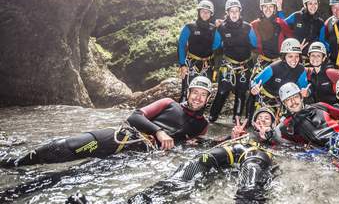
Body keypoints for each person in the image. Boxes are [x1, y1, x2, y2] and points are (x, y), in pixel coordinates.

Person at [0, 77, 213, 167]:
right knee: (71, 146)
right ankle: (12, 163)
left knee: (78, 173)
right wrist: (159, 132)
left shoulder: (202, 125)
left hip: (137, 157)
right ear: (189, 92)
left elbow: (198, 145)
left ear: (207, 99)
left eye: (203, 95)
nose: (197, 98)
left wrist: (233, 137)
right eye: (195, 92)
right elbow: (135, 116)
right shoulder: (169, 103)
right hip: (122, 138)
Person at [128, 107, 279, 204]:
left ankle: (249, 198)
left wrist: (270, 137)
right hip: (233, 149)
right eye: (260, 117)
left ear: (273, 123)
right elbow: (213, 143)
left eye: (267, 118)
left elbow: (292, 149)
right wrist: (230, 137)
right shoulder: (243, 133)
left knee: (252, 169)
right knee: (198, 160)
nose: (262, 120)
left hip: (256, 154)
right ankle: (147, 198)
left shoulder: (277, 137)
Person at [208, 0, 257, 123]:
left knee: (241, 92)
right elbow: (215, 46)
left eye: (236, 11)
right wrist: (215, 29)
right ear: (227, 13)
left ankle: (237, 119)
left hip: (244, 65)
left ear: (240, 12)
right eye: (232, 11)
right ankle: (212, 117)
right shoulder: (222, 28)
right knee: (223, 91)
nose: (234, 14)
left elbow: (255, 43)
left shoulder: (247, 27)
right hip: (228, 65)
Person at [246, 38, 308, 121]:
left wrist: (307, 93)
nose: (294, 60)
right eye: (290, 56)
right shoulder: (274, 67)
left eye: (297, 56)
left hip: (284, 100)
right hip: (266, 99)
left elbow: (304, 88)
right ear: (284, 56)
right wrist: (254, 87)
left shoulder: (300, 69)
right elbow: (254, 81)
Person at [177, 0, 220, 102]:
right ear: (199, 12)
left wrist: (219, 29)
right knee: (186, 91)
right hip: (192, 63)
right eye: (203, 11)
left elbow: (216, 46)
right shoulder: (190, 27)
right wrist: (182, 65)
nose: (205, 14)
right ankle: (181, 115)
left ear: (211, 14)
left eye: (208, 12)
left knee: (204, 93)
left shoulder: (213, 29)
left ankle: (198, 116)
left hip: (207, 64)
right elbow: (181, 45)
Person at [249, 0, 293, 78]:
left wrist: (280, 10)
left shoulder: (280, 23)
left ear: (274, 8)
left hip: (279, 62)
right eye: (265, 6)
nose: (268, 9)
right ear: (261, 8)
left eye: (271, 6)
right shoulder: (254, 25)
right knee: (254, 86)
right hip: (262, 62)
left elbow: (289, 36)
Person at [284, 0, 326, 64]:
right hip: (295, 58)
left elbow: (322, 42)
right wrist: (293, 46)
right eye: (310, 3)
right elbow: (282, 25)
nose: (313, 6)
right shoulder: (296, 16)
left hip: (312, 61)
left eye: (315, 3)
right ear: (305, 5)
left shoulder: (320, 23)